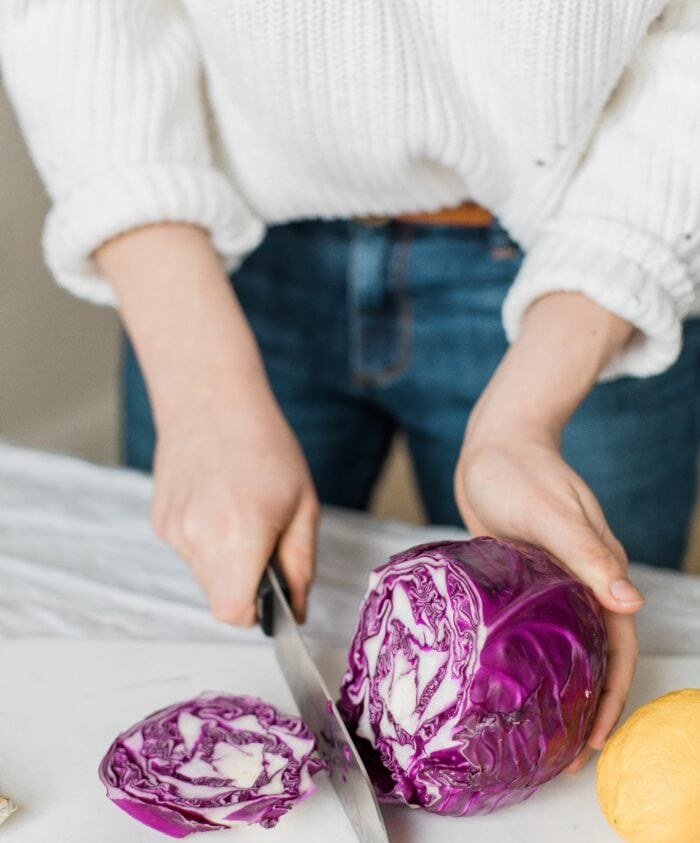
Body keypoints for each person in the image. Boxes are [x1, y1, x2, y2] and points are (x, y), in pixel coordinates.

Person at [2, 2, 699, 768]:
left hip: (588, 251)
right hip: (215, 254)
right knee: (200, 638)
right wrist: (199, 393)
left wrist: (522, 421)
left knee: (583, 702)